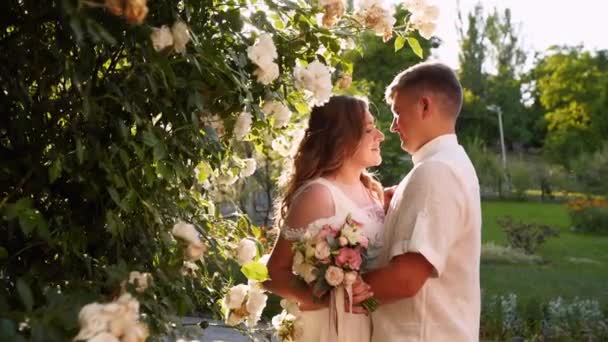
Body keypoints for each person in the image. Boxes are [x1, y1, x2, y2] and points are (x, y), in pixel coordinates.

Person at [357, 62, 482, 342]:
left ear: (424, 106)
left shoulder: (436, 172)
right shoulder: (451, 165)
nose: (392, 127)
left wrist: (335, 295)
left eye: (397, 113)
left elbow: (406, 280)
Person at [265, 95, 385, 342]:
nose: (380, 136)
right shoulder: (318, 195)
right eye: (369, 129)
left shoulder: (373, 191)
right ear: (342, 140)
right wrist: (325, 297)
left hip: (374, 326)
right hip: (331, 330)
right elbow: (272, 273)